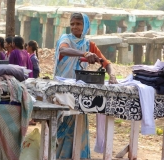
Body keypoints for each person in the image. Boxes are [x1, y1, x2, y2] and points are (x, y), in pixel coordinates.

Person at [54, 13, 117, 159]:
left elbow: (106, 63)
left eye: (78, 24)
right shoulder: (66, 39)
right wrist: (84, 53)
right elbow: (63, 50)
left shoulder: (90, 45)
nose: (75, 27)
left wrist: (112, 75)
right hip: (62, 90)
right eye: (72, 24)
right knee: (61, 124)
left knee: (78, 124)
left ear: (85, 26)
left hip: (79, 92)